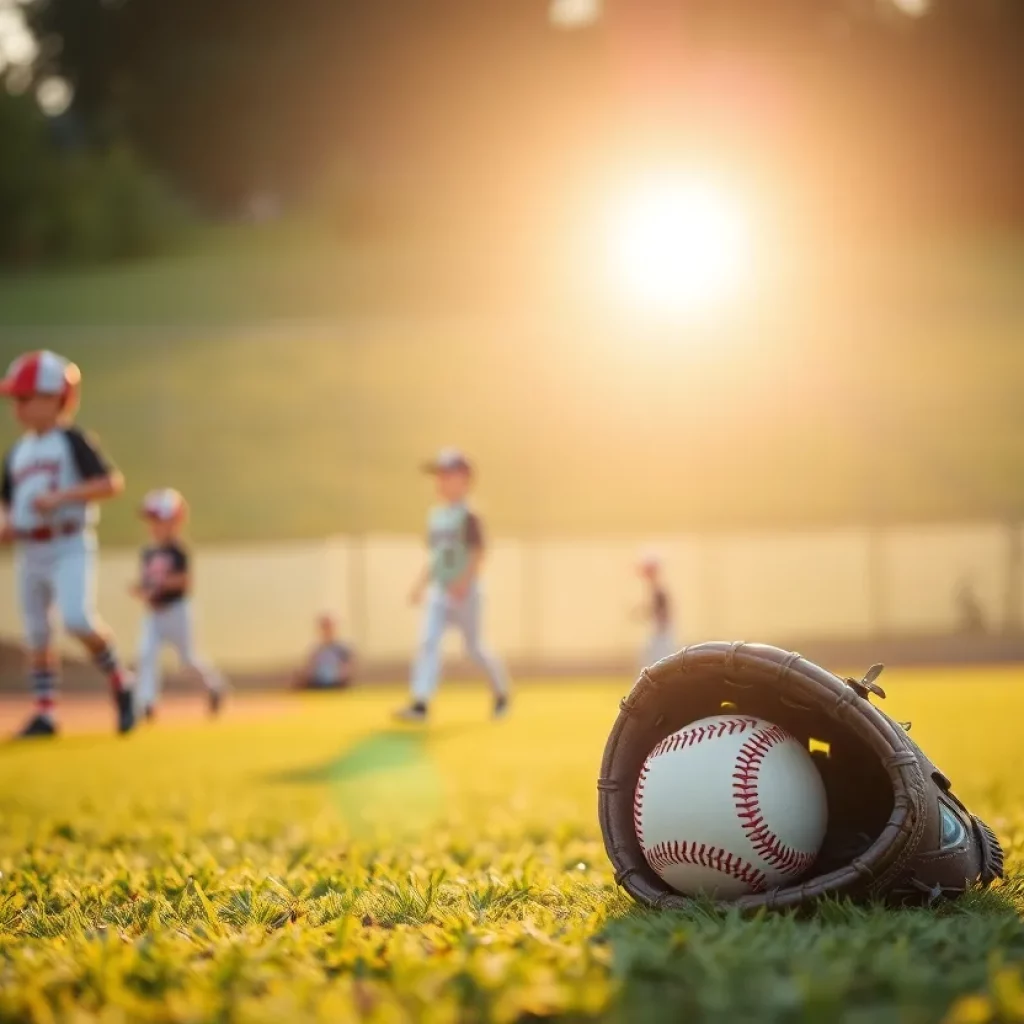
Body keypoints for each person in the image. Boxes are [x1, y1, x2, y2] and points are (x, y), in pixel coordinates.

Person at [0, 350, 135, 738]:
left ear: (54, 398)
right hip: (30, 551)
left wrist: (60, 499)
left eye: (25, 399)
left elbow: (110, 483)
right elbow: (6, 502)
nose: (18, 408)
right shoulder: (17, 453)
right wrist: (7, 524)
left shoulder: (70, 441)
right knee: (37, 635)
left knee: (76, 619)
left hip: (69, 543)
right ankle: (45, 713)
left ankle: (121, 682)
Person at [394, 447, 511, 722]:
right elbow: (435, 558)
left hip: (466, 592)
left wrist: (464, 580)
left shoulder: (469, 515)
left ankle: (501, 692)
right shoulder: (436, 515)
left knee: (474, 648)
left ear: (463, 479)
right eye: (439, 475)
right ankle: (420, 702)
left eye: (447, 474)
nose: (441, 480)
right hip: (440, 591)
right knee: (428, 641)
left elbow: (479, 552)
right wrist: (420, 585)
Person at [131, 488, 225, 720]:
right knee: (146, 654)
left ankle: (214, 685)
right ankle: (146, 703)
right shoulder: (148, 552)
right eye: (151, 521)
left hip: (177, 612)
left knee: (188, 660)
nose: (153, 526)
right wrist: (142, 590)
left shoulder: (178, 551)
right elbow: (145, 583)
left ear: (174, 522)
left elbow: (184, 581)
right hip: (154, 614)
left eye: (158, 520)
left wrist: (159, 585)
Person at [636, 551, 677, 669]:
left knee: (658, 663)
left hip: (661, 634)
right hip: (659, 633)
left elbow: (662, 613)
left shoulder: (658, 590)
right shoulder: (656, 589)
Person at [294, 614, 355, 690]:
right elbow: (309, 667)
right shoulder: (317, 650)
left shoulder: (341, 649)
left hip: (336, 683)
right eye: (324, 627)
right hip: (317, 683)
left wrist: (341, 673)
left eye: (329, 627)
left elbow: (349, 667)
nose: (327, 630)